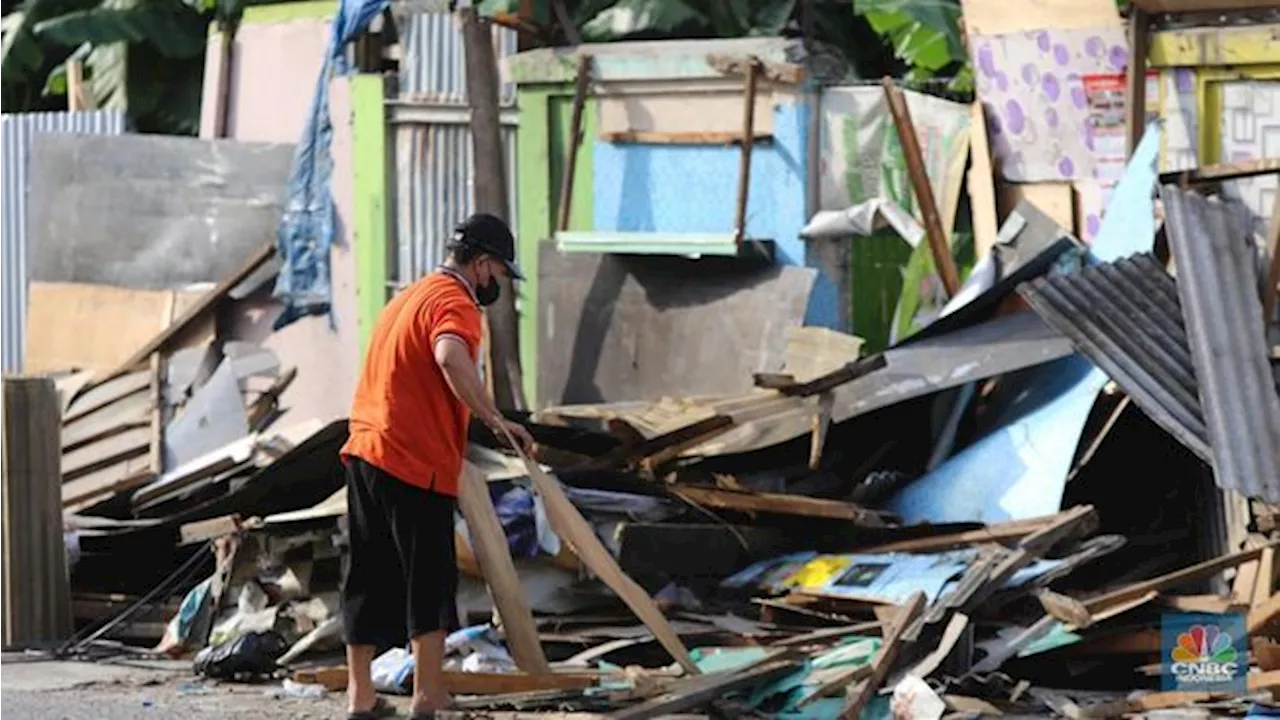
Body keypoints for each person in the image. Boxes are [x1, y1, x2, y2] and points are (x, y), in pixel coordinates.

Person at [338, 212, 534, 720]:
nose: (496, 285)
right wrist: (494, 419)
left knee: (366, 573)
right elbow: (450, 356)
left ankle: (361, 696)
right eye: (497, 273)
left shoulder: (409, 296)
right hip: (413, 460)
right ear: (482, 263)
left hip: (365, 450)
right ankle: (427, 696)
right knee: (429, 578)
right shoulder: (456, 302)